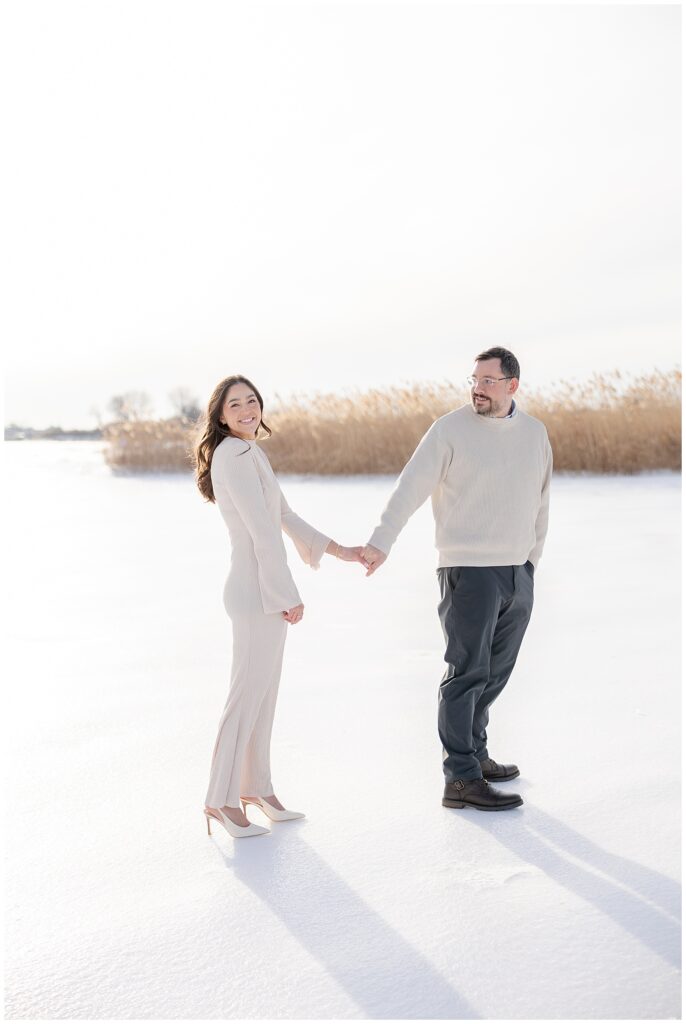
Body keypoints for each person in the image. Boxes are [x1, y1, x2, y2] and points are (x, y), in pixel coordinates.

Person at [361, 348, 552, 812]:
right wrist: (381, 540)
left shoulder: (534, 434)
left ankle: (476, 754)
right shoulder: (449, 429)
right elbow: (410, 487)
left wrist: (530, 563)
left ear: (512, 385)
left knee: (496, 672)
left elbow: (541, 498)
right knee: (466, 674)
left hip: (516, 572)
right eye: (474, 379)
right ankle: (461, 778)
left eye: (488, 380)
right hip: (468, 570)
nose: (477, 388)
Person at [194, 374, 365, 838]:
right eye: (236, 405)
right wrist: (285, 593)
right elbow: (260, 531)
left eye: (253, 401)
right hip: (254, 590)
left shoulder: (252, 452)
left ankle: (256, 789)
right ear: (221, 415)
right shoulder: (233, 454)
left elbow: (284, 516)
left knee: (263, 698)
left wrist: (340, 550)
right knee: (245, 698)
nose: (248, 409)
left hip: (260, 587)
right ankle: (221, 801)